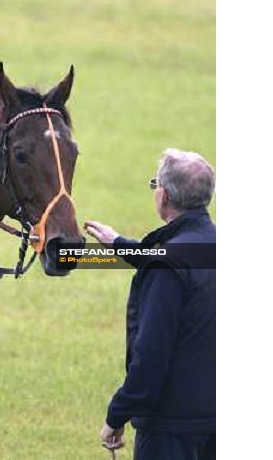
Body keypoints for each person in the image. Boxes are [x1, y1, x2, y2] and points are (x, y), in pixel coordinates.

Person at [85, 148, 216, 460]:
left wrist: (117, 414)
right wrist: (119, 244)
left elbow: (152, 355)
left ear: (165, 196)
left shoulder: (167, 267)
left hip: (171, 428)